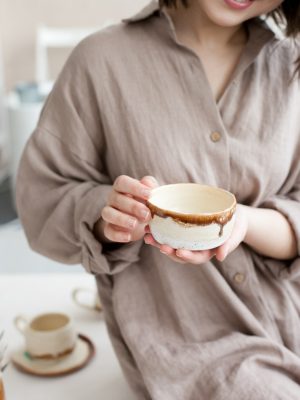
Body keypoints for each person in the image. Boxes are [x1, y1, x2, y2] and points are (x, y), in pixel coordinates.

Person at [16, 0, 300, 398]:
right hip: (190, 343)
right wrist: (109, 215)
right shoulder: (103, 61)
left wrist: (246, 223)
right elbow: (41, 200)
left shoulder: (292, 65)